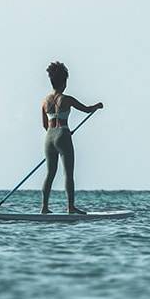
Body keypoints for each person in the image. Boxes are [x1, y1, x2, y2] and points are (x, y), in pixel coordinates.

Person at [40, 61, 103, 214]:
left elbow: (45, 125)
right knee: (68, 173)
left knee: (50, 173)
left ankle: (44, 207)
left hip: (48, 138)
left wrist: (55, 134)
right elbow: (87, 110)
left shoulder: (44, 101)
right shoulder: (66, 99)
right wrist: (98, 106)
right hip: (63, 134)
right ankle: (70, 207)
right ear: (64, 82)